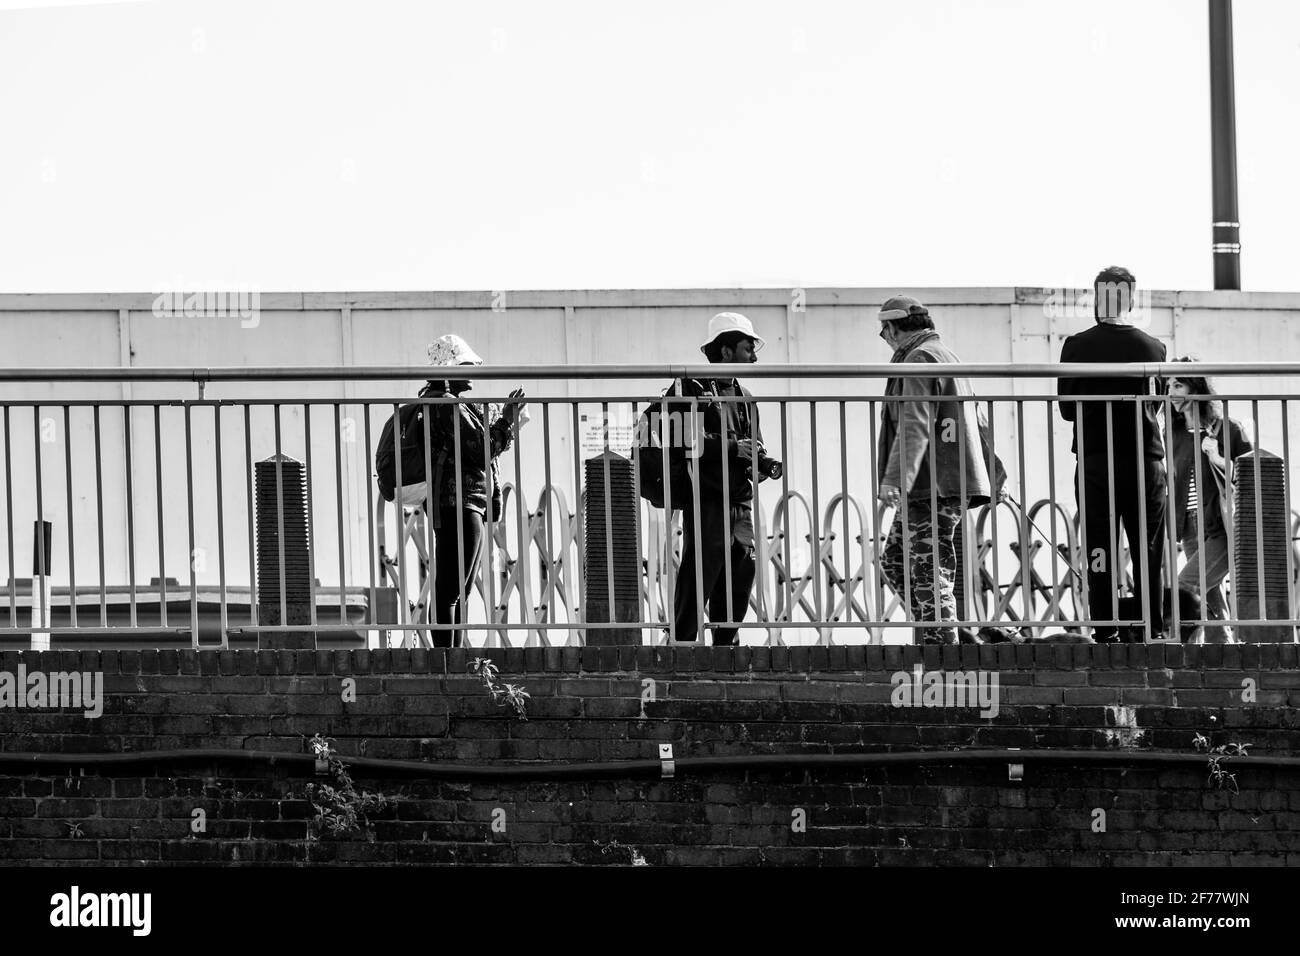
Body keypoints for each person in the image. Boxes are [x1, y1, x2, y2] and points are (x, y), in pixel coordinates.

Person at [1057, 266, 1167, 642]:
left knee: (1100, 544)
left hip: (1096, 459)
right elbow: (1158, 404)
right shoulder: (1153, 348)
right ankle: (1152, 627)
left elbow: (1067, 409)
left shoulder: (1076, 346)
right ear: (1131, 299)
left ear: (1096, 298)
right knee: (1147, 545)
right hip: (1145, 458)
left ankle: (1106, 628)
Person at [875, 295, 993, 645]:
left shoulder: (919, 358)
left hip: (932, 482)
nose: (884, 340)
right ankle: (947, 632)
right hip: (942, 479)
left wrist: (896, 478)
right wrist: (992, 472)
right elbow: (978, 419)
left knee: (929, 567)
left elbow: (915, 420)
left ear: (893, 327)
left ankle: (941, 648)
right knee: (896, 559)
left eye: (883, 332)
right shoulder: (943, 354)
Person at [667, 312, 781, 645]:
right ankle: (683, 647)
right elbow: (680, 440)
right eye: (748, 348)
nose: (755, 357)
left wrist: (759, 465)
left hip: (740, 502)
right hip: (707, 501)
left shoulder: (745, 396)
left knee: (741, 576)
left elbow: (755, 447)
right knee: (698, 575)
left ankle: (725, 649)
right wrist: (733, 448)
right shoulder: (690, 389)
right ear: (726, 350)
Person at [422, 334, 527, 647]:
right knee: (452, 589)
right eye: (465, 364)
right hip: (460, 503)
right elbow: (481, 450)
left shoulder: (445, 403)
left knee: (458, 588)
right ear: (449, 369)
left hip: (461, 503)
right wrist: (506, 420)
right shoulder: (444, 404)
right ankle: (446, 662)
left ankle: (450, 659)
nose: (472, 370)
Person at [1166, 359, 1252, 643]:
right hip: (1189, 526)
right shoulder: (1174, 432)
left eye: (1178, 384)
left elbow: (1252, 476)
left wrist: (1217, 457)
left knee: (1185, 587)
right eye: (1168, 385)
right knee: (1210, 597)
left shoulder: (1229, 428)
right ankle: (1224, 649)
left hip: (1222, 525)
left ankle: (1187, 651)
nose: (1171, 392)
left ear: (1197, 387)